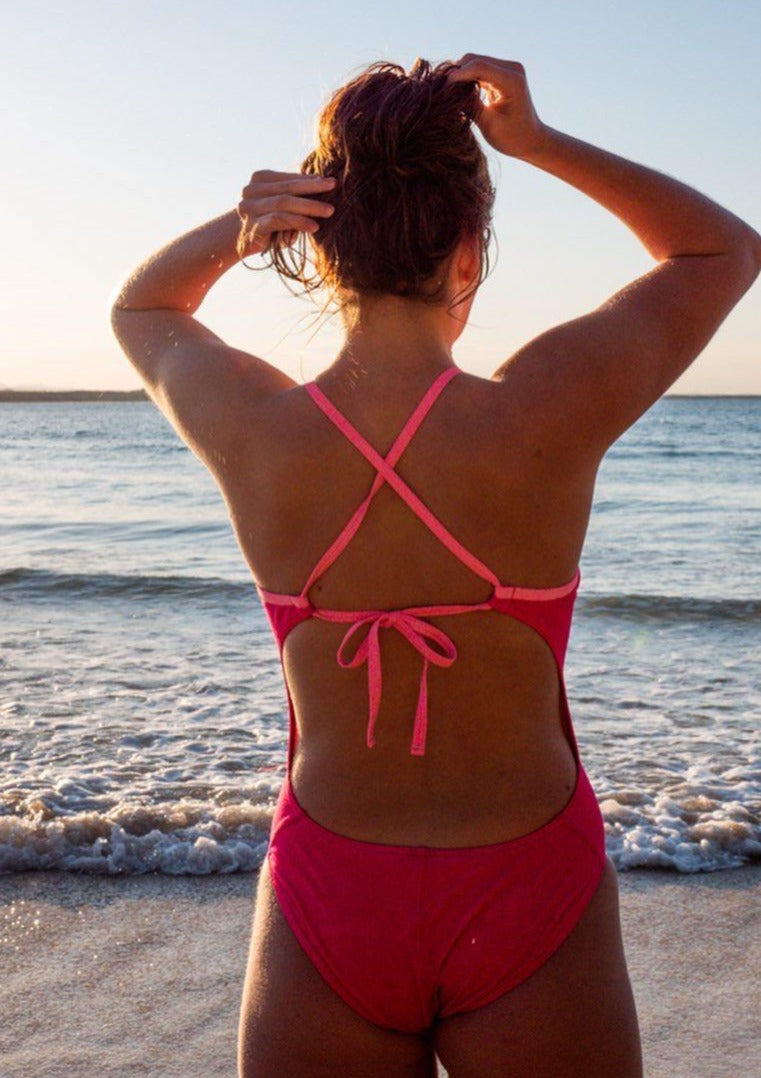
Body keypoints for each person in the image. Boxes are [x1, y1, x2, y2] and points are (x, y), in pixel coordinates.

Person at [109, 54, 760, 1078]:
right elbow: (718, 248)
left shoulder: (254, 426)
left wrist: (248, 223)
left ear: (319, 249)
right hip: (527, 890)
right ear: (468, 251)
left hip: (328, 895)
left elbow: (142, 311)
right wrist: (538, 143)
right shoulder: (543, 406)